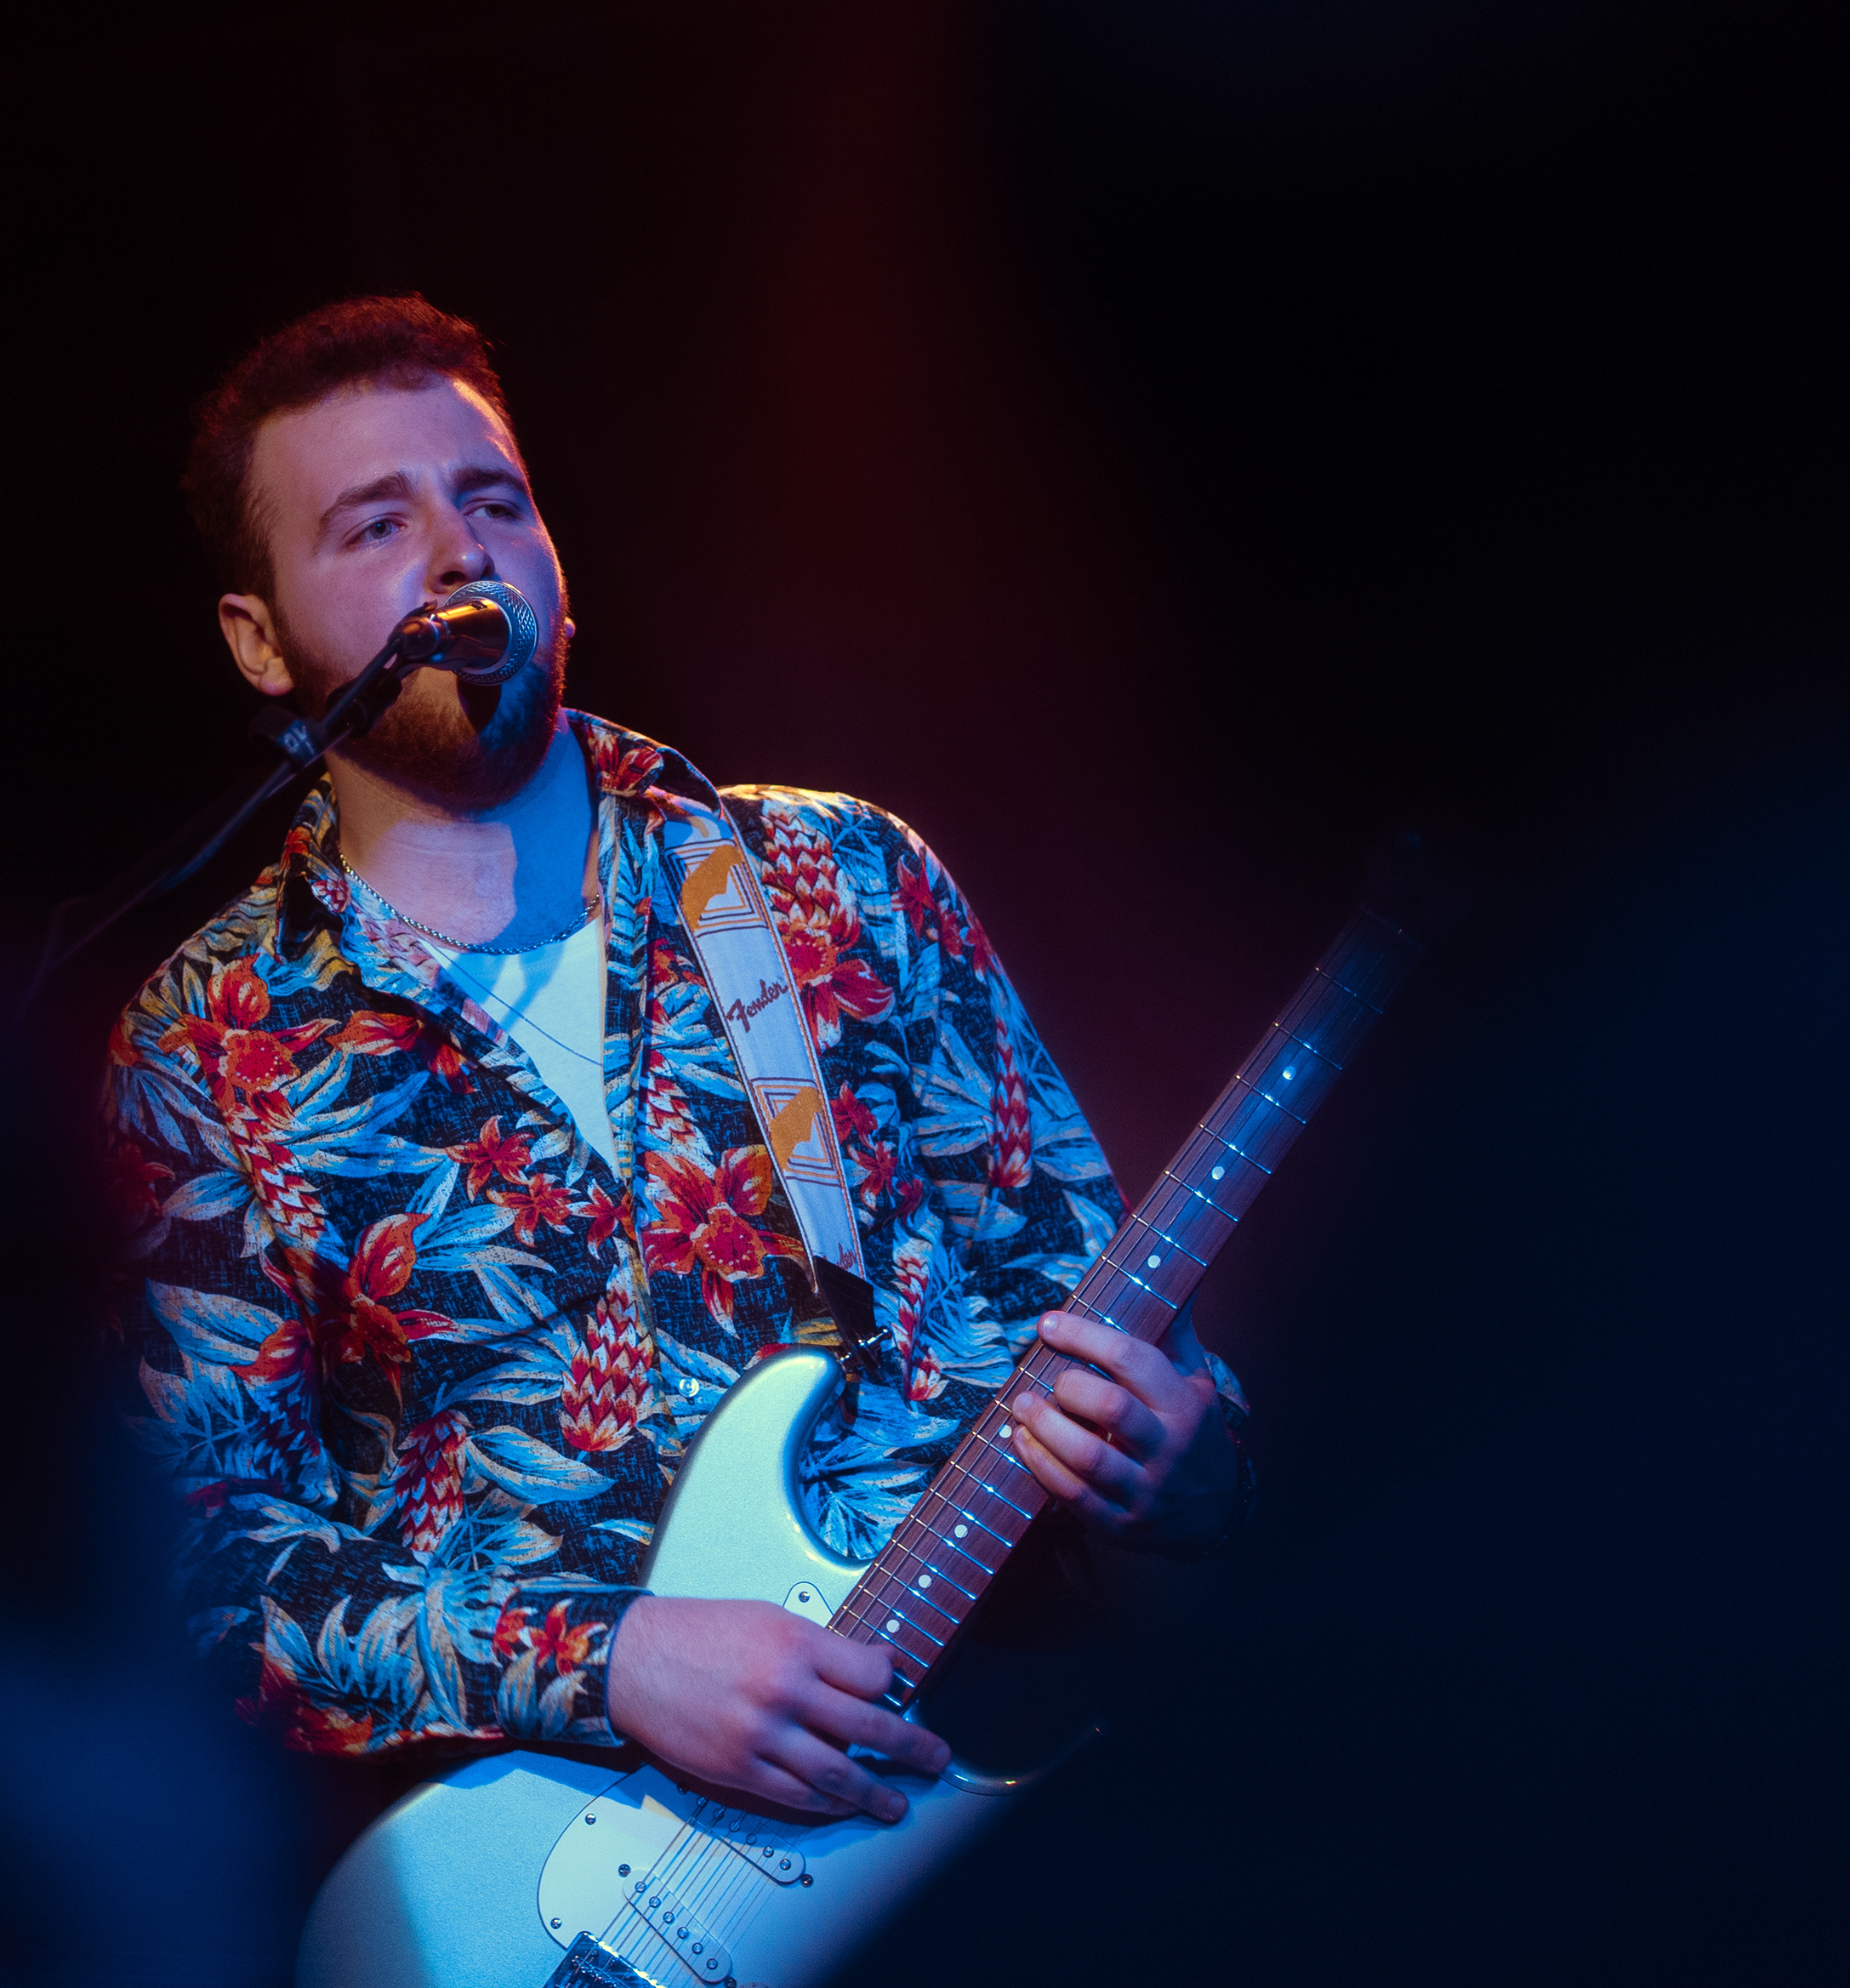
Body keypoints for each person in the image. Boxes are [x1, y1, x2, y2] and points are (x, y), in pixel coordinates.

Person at [101, 296, 1250, 1828]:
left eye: (493, 500)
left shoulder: (835, 879)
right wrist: (609, 1658)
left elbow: (1090, 1304)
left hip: (1004, 1766)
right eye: (377, 525)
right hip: (599, 1873)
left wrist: (1194, 1459)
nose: (458, 553)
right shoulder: (205, 1045)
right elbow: (203, 1567)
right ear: (258, 640)